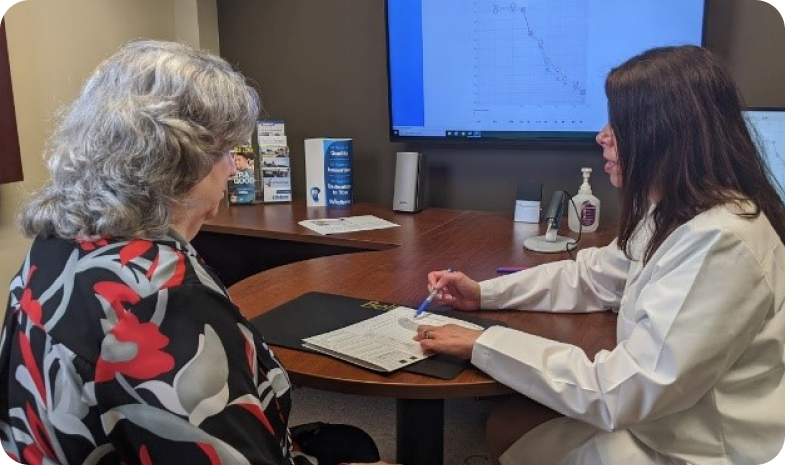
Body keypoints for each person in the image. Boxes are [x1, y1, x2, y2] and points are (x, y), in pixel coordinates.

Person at [0, 39, 394, 465]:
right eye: (224, 151)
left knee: (348, 442)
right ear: (176, 161)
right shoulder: (161, 299)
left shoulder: (56, 245)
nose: (233, 167)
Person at [414, 45, 785, 465]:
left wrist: (484, 343)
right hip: (664, 416)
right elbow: (591, 276)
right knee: (505, 426)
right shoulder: (675, 212)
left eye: (618, 124)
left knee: (512, 434)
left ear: (663, 135)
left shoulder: (723, 241)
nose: (601, 136)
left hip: (696, 447)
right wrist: (482, 292)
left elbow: (619, 391)